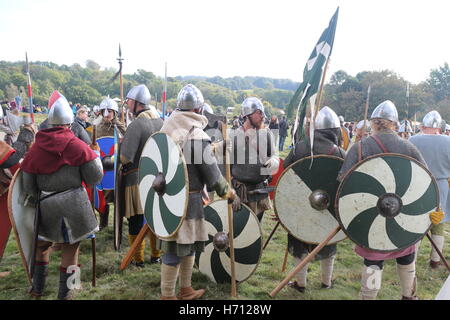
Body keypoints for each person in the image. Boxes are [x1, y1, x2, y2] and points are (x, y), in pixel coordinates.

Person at [337, 100, 443, 300]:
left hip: (370, 216)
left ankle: (369, 297)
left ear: (373, 124)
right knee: (406, 256)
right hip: (405, 217)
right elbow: (425, 181)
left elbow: (344, 183)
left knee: (374, 260)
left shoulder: (360, 148)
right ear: (394, 124)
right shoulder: (408, 146)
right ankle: (408, 296)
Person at [21, 91, 103, 300]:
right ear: (69, 123)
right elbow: (94, 178)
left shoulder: (36, 149)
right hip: (74, 204)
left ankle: (37, 289)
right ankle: (67, 293)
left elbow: (29, 186)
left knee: (41, 247)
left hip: (46, 204)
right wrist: (97, 158)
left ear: (49, 122)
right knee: (71, 249)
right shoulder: (78, 145)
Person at [158, 84, 237, 300]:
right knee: (178, 248)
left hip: (167, 200)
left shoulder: (167, 129)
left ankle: (185, 290)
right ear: (199, 110)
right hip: (189, 200)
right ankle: (168, 295)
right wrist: (229, 193)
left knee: (183, 246)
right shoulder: (197, 136)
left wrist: (215, 149)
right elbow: (213, 176)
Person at [284, 106, 345, 293]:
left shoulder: (299, 148)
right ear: (335, 131)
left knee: (299, 239)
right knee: (327, 240)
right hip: (328, 206)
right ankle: (326, 282)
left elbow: (286, 174)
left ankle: (301, 283)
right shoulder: (340, 153)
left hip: (302, 204)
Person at [119, 85, 163, 267]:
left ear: (137, 103)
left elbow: (124, 157)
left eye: (129, 101)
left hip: (136, 181)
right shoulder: (161, 122)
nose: (127, 104)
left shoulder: (137, 124)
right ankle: (156, 256)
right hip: (159, 182)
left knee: (136, 221)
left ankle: (138, 260)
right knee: (156, 220)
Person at [409, 110, 450, 269]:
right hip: (441, 186)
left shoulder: (413, 140)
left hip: (418, 185)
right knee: (438, 223)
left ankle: (411, 259)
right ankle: (435, 260)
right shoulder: (448, 141)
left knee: (417, 222)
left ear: (424, 125)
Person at [229, 97, 279, 222]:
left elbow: (274, 155)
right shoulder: (234, 135)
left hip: (259, 191)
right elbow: (225, 168)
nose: (262, 117)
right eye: (259, 113)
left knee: (256, 232)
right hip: (239, 193)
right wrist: (231, 193)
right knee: (238, 232)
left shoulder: (267, 134)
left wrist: (273, 161)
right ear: (248, 115)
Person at [94, 97, 127, 230]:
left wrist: (119, 128)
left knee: (119, 198)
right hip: (103, 168)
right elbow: (93, 147)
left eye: (110, 111)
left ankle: (119, 224)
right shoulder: (96, 127)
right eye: (104, 111)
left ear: (114, 112)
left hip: (117, 168)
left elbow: (128, 143)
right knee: (103, 196)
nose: (107, 114)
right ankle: (103, 222)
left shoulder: (120, 127)